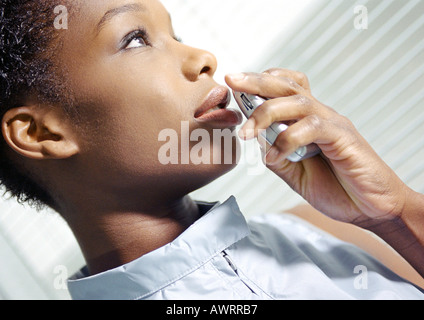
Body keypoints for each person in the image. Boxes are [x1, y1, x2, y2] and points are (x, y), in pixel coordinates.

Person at [0, 0, 423, 300]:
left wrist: (391, 213)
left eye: (175, 34)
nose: (203, 58)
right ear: (40, 133)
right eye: (135, 40)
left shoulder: (316, 230)